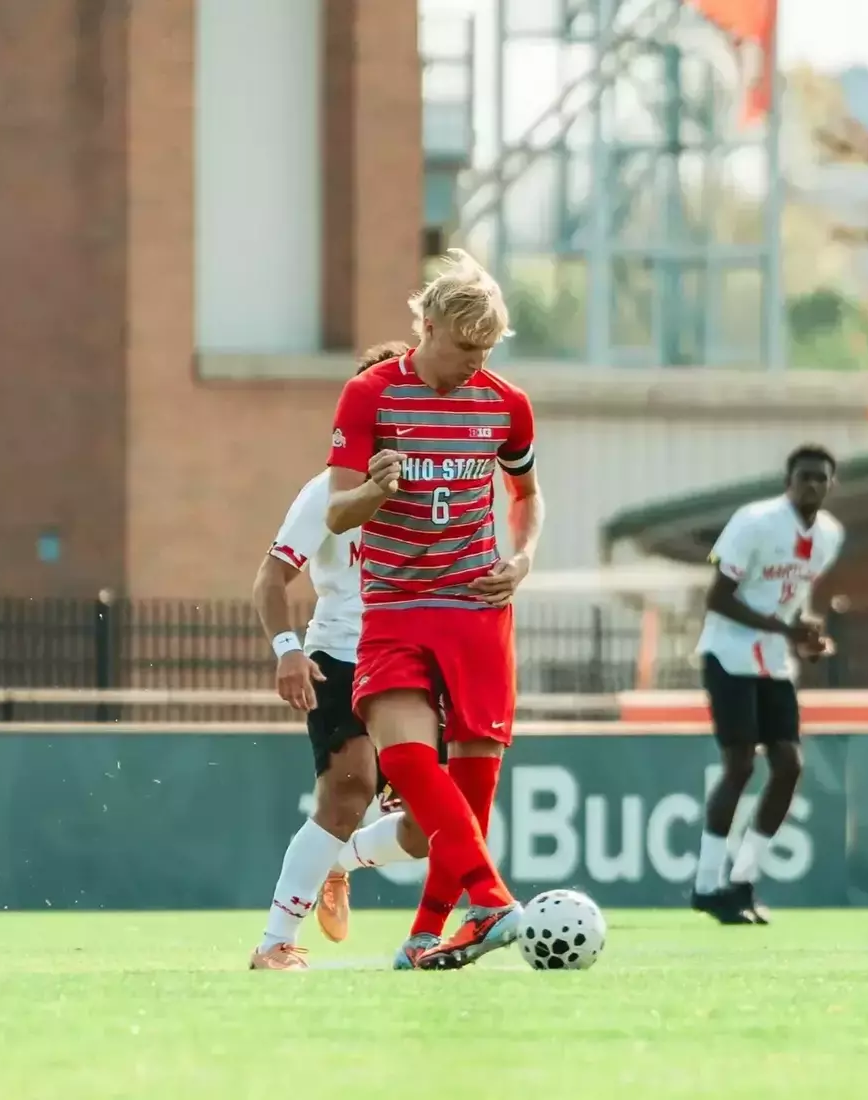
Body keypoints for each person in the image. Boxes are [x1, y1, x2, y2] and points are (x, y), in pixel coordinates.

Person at [324, 250, 544, 971]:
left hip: (477, 609)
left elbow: (526, 494)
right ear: (426, 328)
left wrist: (523, 556)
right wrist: (374, 493)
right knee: (410, 761)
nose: (474, 362)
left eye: (487, 349)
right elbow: (337, 512)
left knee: (471, 795)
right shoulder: (370, 395)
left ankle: (426, 934)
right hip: (396, 607)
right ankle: (493, 901)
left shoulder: (506, 404)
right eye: (463, 347)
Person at [249, 341, 432, 971]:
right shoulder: (325, 494)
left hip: (412, 664)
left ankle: (341, 863)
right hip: (342, 656)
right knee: (347, 794)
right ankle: (275, 943)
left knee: (427, 828)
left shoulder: (434, 489)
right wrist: (287, 650)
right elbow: (270, 579)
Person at [691, 444, 843, 925]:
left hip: (774, 662)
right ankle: (706, 885)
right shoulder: (754, 522)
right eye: (804, 476)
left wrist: (806, 634)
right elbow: (718, 598)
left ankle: (743, 879)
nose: (812, 485)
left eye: (821, 477)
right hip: (729, 654)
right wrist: (785, 629)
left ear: (831, 484)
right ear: (788, 481)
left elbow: (794, 596)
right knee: (739, 765)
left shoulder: (830, 534)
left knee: (789, 764)